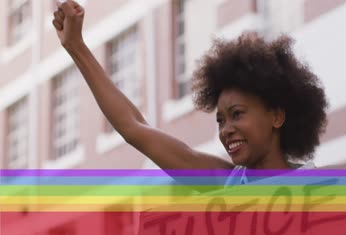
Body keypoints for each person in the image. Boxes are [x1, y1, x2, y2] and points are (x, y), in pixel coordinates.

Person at [52, 0, 328, 186]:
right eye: (220, 120)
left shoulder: (320, 191)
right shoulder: (225, 182)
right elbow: (133, 128)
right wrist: (76, 47)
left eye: (237, 114)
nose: (226, 130)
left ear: (277, 116)